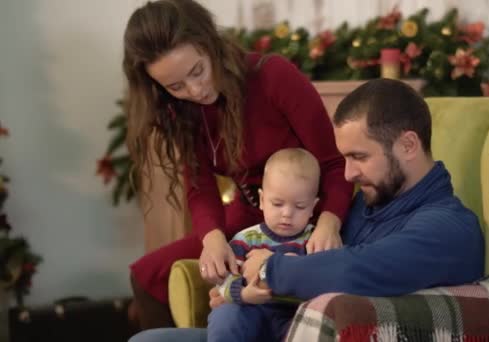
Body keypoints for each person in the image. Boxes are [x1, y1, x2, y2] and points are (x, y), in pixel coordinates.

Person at [129, 79, 485, 342]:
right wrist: (235, 286)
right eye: (344, 158)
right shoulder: (365, 204)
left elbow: (359, 268)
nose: (347, 175)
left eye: (359, 157)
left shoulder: (449, 228)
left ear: (408, 145)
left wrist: (269, 270)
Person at [123, 0, 353, 329]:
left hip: (305, 218)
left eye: (197, 71)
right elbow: (199, 187)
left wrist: (329, 224)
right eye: (176, 86)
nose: (195, 89)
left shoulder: (273, 76)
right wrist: (212, 239)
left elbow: (334, 163)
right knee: (146, 276)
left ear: (209, 44)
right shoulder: (182, 110)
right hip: (248, 222)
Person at [210, 148, 321, 341]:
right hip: (251, 312)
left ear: (313, 206)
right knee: (224, 315)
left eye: (300, 206)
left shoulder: (315, 241)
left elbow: (329, 282)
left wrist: (296, 270)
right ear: (262, 200)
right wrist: (243, 294)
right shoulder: (246, 240)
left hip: (295, 317)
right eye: (277, 204)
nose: (287, 213)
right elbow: (223, 281)